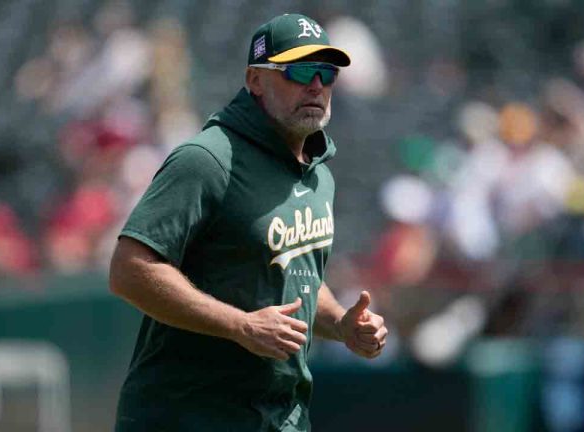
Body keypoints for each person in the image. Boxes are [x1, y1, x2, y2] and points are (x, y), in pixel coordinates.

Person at [109, 13, 388, 431]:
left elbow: (297, 278)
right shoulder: (208, 160)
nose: (315, 85)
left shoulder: (317, 174)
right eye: (298, 70)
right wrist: (239, 325)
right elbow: (128, 270)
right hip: (188, 415)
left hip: (280, 416)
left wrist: (341, 324)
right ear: (255, 79)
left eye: (326, 73)